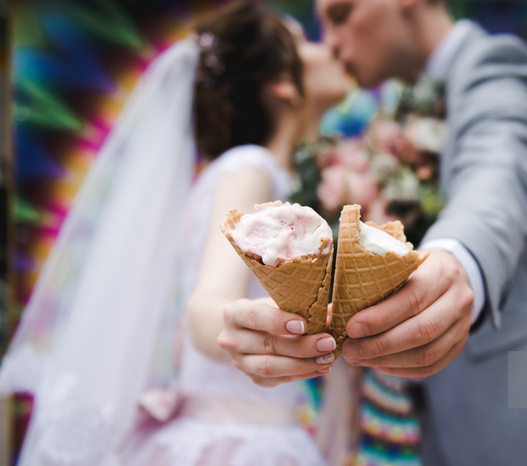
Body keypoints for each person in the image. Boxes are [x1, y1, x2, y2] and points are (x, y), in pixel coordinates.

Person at [220, 0, 527, 464]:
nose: (330, 42)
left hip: (520, 413)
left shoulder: (498, 67)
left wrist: (457, 262)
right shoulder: (401, 111)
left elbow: (498, 175)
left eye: (340, 15)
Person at [0, 2, 349, 465]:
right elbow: (208, 306)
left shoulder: (256, 176)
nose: (329, 50)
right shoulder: (250, 170)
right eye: (307, 42)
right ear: (283, 84)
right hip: (240, 444)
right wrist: (258, 329)